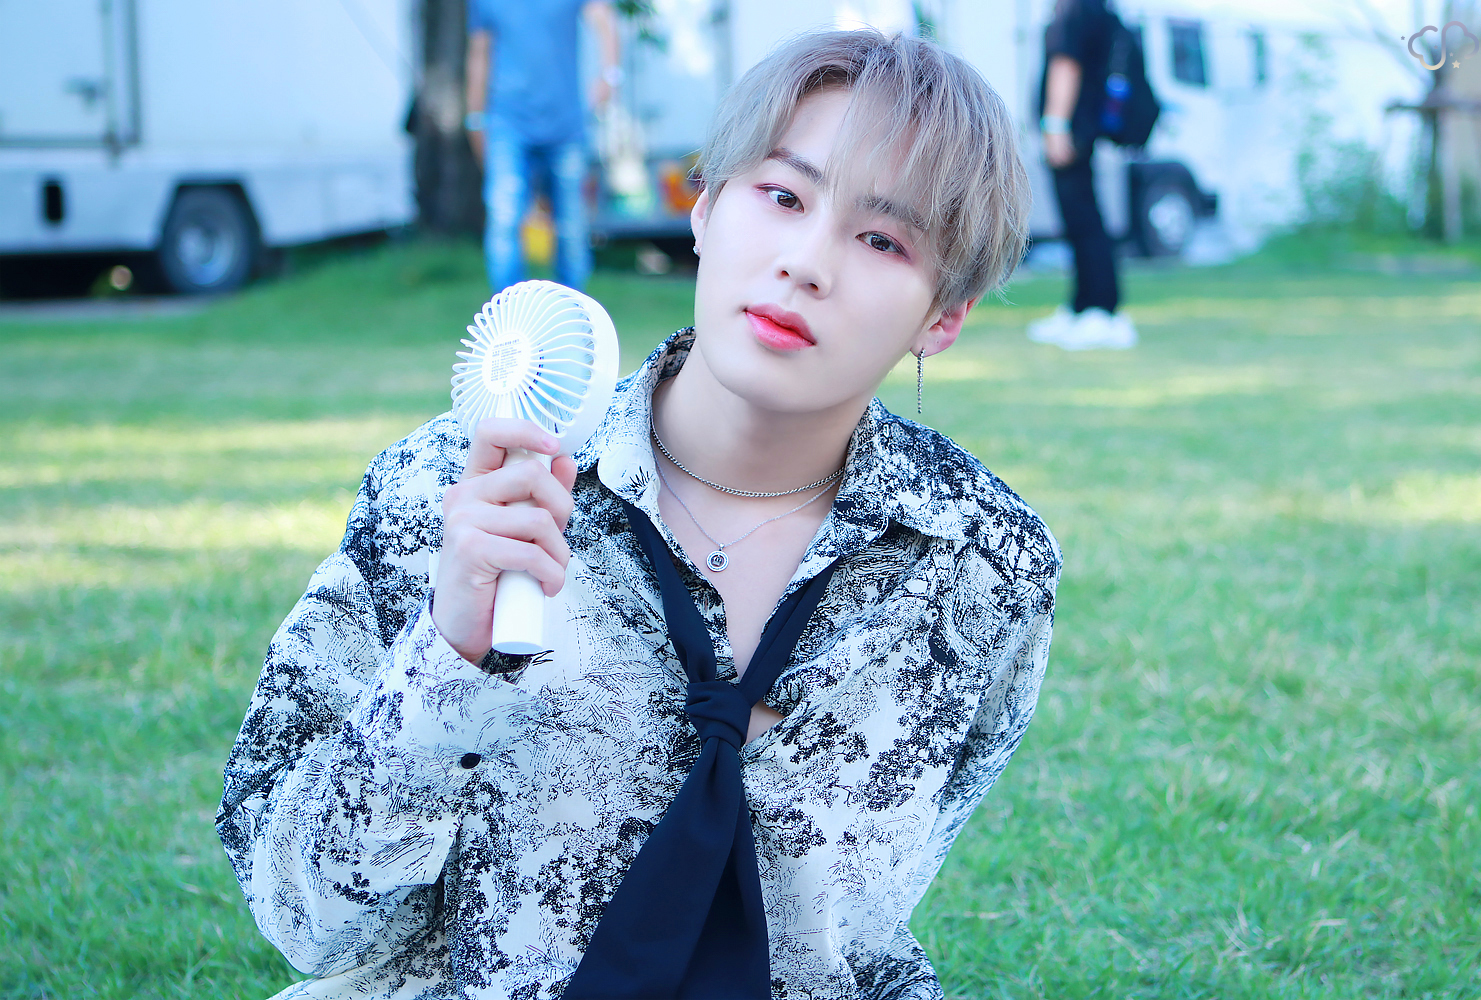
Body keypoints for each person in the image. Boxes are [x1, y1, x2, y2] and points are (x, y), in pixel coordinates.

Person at [218, 30, 1060, 999]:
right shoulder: (459, 489)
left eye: (882, 240)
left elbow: (859, 927)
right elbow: (301, 919)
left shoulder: (982, 566)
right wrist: (445, 656)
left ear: (942, 315)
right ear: (704, 206)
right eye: (783, 197)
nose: (806, 263)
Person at [464, 0, 619, 294]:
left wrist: (609, 75)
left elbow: (603, 17)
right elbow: (479, 53)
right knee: (504, 221)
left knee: (571, 227)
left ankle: (572, 309)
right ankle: (509, 309)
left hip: (566, 126)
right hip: (507, 124)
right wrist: (475, 119)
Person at [1027, 0, 1138, 351]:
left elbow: (1066, 63)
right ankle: (1082, 307)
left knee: (1083, 221)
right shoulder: (1096, 8)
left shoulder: (1074, 9)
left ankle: (1101, 310)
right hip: (1085, 129)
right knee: (1081, 221)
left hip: (1072, 131)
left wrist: (1055, 124)